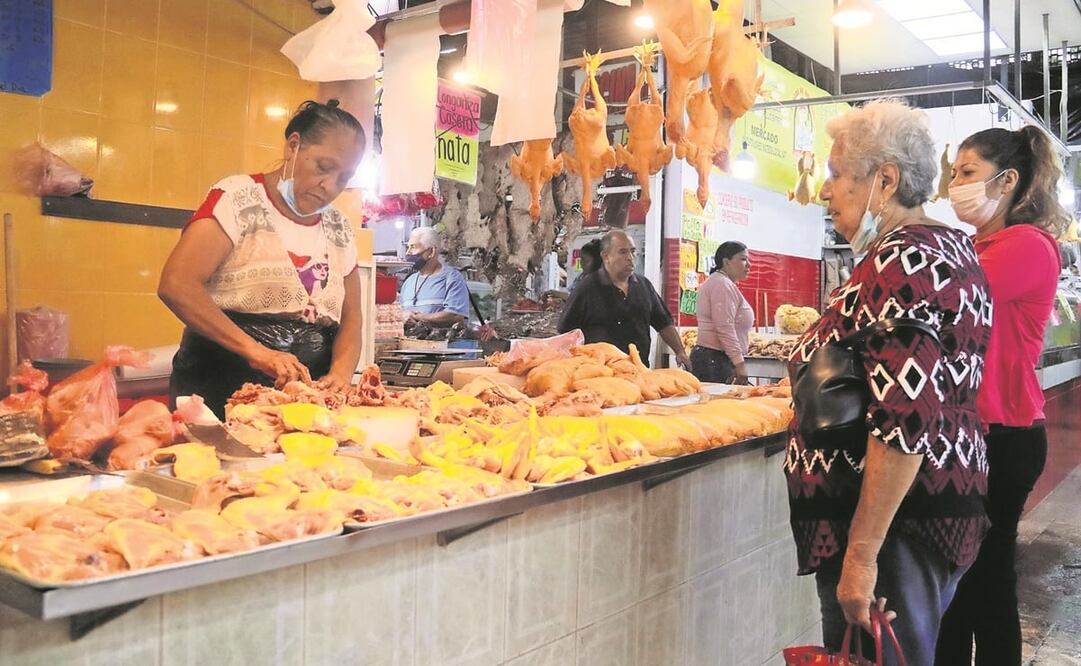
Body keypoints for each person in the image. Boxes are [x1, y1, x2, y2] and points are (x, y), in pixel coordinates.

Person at [784, 99, 992, 665]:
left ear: (885, 180)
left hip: (900, 530)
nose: (825, 191)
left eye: (835, 175)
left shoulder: (904, 259)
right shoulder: (948, 249)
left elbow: (905, 414)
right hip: (926, 514)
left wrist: (861, 553)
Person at [935, 126, 1069, 666]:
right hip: (970, 433)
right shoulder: (975, 245)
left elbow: (940, 303)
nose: (954, 185)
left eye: (967, 173)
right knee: (957, 584)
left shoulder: (1026, 246)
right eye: (953, 173)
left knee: (986, 582)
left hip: (1003, 434)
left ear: (1007, 180)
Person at [159, 100, 365, 417]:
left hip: (303, 407)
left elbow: (351, 319)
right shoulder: (238, 198)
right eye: (323, 168)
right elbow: (177, 284)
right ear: (293, 146)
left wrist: (340, 374)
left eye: (343, 178)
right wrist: (254, 351)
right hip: (218, 391)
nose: (330, 186)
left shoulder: (338, 227)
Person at [558, 230, 690, 368]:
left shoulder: (644, 285)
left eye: (632, 251)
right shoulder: (587, 288)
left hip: (638, 369)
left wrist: (680, 351)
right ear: (606, 256)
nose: (630, 257)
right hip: (600, 372)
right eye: (623, 252)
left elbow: (663, 323)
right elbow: (566, 331)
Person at [692, 241, 754, 384]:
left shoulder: (721, 282)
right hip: (714, 361)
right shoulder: (722, 284)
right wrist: (739, 363)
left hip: (716, 359)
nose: (749, 265)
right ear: (726, 262)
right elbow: (724, 327)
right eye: (743, 259)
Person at [399, 226, 470, 326]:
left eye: (413, 247)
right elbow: (399, 312)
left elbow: (455, 315)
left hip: (440, 341)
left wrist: (419, 317)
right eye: (408, 247)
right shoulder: (408, 282)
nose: (407, 253)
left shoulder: (452, 278)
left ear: (431, 251)